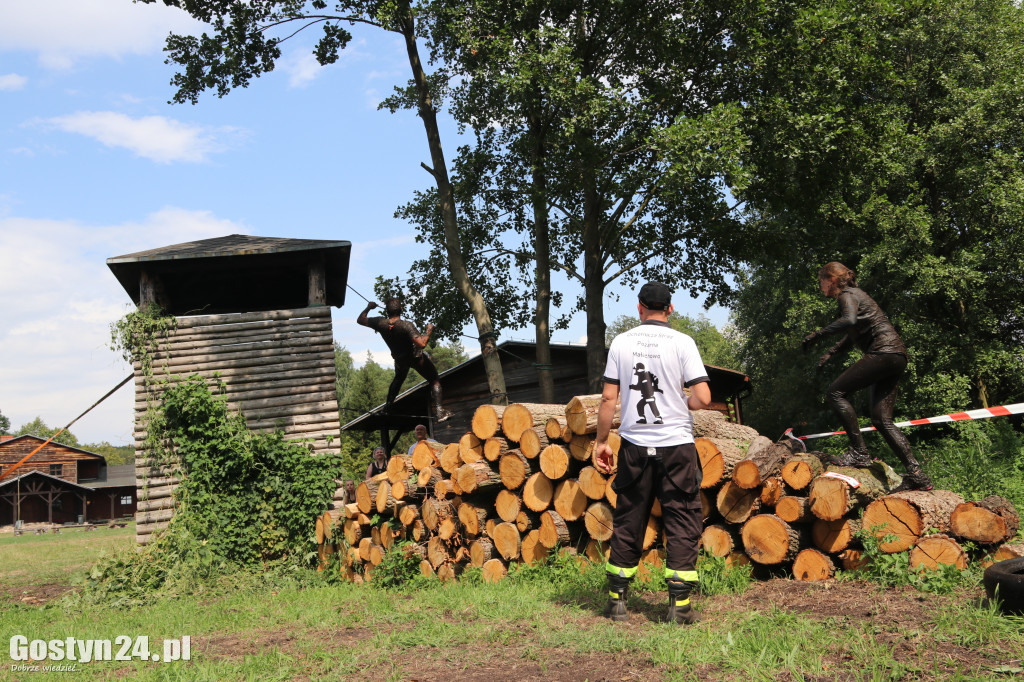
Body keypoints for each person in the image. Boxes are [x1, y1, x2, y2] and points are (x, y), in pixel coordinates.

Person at [594, 282, 712, 625]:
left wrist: (601, 441)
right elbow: (703, 398)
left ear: (639, 307)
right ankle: (679, 606)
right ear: (670, 309)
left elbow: (607, 399)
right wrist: (682, 402)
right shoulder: (683, 342)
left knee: (630, 518)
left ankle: (617, 602)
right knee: (682, 518)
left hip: (633, 447)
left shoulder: (622, 342)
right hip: (676, 445)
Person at [802, 262, 932, 492]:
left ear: (831, 279)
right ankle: (918, 476)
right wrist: (831, 352)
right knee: (881, 419)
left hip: (883, 352)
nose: (820, 287)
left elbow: (849, 321)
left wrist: (817, 335)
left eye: (821, 282)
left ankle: (859, 453)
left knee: (835, 392)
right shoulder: (857, 294)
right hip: (897, 355)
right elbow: (855, 332)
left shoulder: (846, 295)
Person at [357, 298, 453, 423]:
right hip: (415, 357)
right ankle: (440, 411)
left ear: (387, 311)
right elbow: (422, 343)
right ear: (401, 309)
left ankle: (387, 408)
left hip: (400, 359)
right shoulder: (405, 325)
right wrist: (429, 330)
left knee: (398, 380)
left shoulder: (380, 322)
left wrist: (369, 307)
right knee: (434, 380)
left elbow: (360, 320)